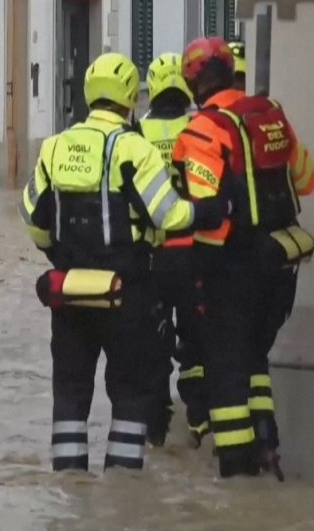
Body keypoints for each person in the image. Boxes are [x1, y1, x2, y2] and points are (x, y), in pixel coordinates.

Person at [20, 52, 228, 472]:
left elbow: (33, 218)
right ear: (131, 97)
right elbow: (167, 214)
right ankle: (122, 487)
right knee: (131, 392)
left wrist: (58, 253)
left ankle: (70, 485)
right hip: (126, 293)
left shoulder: (53, 147)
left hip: (69, 292)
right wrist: (206, 211)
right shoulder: (134, 148)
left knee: (70, 392)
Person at [173, 37, 314, 479]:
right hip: (281, 264)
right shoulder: (270, 113)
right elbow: (308, 179)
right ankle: (267, 449)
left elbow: (208, 214)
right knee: (255, 359)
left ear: (193, 83)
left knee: (225, 372)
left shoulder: (202, 130)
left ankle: (238, 476)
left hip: (233, 269)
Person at [134, 53, 205, 448]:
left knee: (152, 342)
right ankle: (199, 421)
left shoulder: (136, 133)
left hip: (153, 258)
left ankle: (156, 428)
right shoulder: (199, 127)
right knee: (197, 340)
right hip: (196, 254)